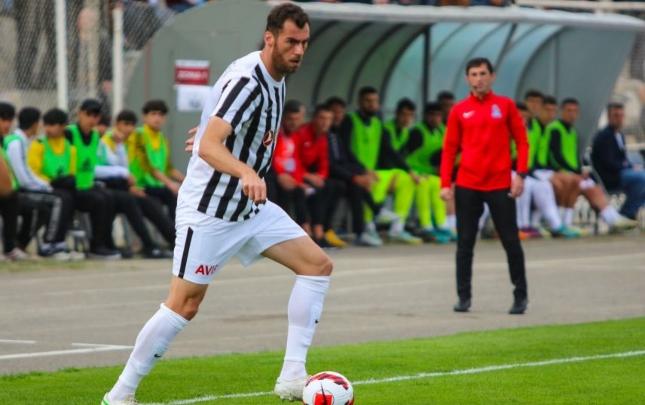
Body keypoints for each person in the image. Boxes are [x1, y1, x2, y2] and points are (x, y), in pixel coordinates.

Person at [102, 4, 331, 404]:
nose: (298, 50)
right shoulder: (248, 80)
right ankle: (120, 394)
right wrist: (242, 169)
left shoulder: (276, 78)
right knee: (184, 305)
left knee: (317, 266)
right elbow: (211, 144)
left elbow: (218, 129)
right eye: (291, 42)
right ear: (270, 38)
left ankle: (293, 376)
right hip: (210, 210)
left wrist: (213, 136)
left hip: (250, 209)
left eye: (304, 43)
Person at [440, 57, 529, 315]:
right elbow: (449, 149)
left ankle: (520, 296)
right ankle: (463, 297)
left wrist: (520, 174)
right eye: (473, 74)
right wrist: (445, 183)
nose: (478, 79)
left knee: (510, 241)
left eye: (482, 74)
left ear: (492, 76)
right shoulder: (459, 110)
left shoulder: (505, 106)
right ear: (467, 78)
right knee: (465, 243)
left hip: (500, 184)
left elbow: (522, 142)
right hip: (468, 184)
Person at [68, 99, 168, 259]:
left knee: (144, 200)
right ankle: (102, 245)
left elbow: (116, 165)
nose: (94, 121)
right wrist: (124, 174)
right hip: (78, 185)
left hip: (100, 184)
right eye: (89, 115)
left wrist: (120, 147)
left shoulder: (96, 138)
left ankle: (156, 244)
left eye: (96, 117)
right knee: (113, 198)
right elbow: (98, 169)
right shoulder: (73, 134)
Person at [339, 86, 421, 245]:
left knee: (407, 179)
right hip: (355, 170)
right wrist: (363, 169)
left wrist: (409, 171)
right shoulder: (350, 120)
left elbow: (389, 150)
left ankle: (397, 227)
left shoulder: (378, 124)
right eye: (368, 101)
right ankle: (369, 226)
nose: (372, 104)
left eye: (375, 101)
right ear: (359, 102)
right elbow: (345, 149)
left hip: (373, 171)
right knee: (372, 182)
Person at [543, 98, 637, 231]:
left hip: (570, 171)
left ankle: (612, 218)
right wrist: (574, 172)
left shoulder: (572, 131)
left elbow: (574, 157)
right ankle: (564, 223)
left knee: (593, 186)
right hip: (558, 171)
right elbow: (555, 156)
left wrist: (580, 171)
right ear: (561, 112)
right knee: (576, 182)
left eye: (574, 111)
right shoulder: (555, 129)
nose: (572, 114)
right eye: (568, 111)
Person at [4, 107, 79, 259]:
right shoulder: (16, 143)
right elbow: (23, 178)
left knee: (63, 196)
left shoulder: (22, 141)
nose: (42, 127)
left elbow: (27, 173)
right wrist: (45, 186)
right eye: (40, 123)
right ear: (34, 124)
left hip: (23, 189)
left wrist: (45, 186)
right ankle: (49, 245)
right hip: (17, 191)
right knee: (58, 199)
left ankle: (51, 242)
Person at [98, 110, 176, 250]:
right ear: (117, 124)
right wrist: (129, 186)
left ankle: (175, 242)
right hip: (116, 186)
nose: (129, 128)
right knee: (142, 202)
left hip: (131, 185)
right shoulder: (106, 141)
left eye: (132, 125)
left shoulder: (136, 139)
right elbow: (117, 169)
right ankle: (150, 245)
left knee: (163, 198)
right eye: (126, 124)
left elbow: (136, 166)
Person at [514, 95, 579, 239]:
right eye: (519, 117)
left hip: (528, 171)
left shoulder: (536, 128)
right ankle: (520, 226)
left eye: (524, 118)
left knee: (543, 186)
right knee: (523, 185)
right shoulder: (507, 130)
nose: (523, 120)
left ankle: (555, 225)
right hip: (508, 172)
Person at [324, 97, 383, 247]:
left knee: (357, 185)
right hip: (324, 175)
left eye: (341, 112)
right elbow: (331, 165)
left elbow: (346, 158)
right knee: (346, 185)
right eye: (334, 112)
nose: (338, 116)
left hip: (337, 174)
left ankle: (362, 230)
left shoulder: (336, 134)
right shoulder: (324, 134)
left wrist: (363, 172)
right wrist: (354, 177)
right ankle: (326, 229)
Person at [293, 104, 346, 247]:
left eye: (329, 119)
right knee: (310, 191)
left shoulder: (323, 137)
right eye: (322, 118)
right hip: (297, 175)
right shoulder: (301, 133)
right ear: (314, 119)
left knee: (332, 186)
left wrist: (320, 177)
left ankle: (322, 228)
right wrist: (307, 176)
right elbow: (294, 160)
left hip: (309, 175)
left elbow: (324, 162)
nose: (325, 122)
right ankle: (310, 231)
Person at [403, 102, 452, 243]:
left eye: (438, 115)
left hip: (431, 172)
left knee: (438, 184)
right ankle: (426, 225)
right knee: (424, 185)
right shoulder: (417, 132)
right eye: (432, 115)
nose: (435, 118)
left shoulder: (443, 131)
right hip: (415, 172)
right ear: (425, 116)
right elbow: (408, 156)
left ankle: (441, 224)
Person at [133, 99, 185, 221]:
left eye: (161, 114)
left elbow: (168, 168)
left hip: (158, 187)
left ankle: (177, 231)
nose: (157, 118)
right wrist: (170, 183)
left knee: (181, 201)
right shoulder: (138, 135)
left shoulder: (162, 139)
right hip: (141, 186)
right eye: (153, 114)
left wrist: (188, 181)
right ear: (144, 117)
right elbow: (148, 167)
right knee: (164, 209)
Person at [592, 102, 645, 221]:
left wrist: (631, 166)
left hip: (620, 173)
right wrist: (628, 166)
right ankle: (626, 214)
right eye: (616, 115)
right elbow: (609, 162)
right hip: (610, 177)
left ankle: (628, 213)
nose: (619, 118)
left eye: (621, 115)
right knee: (642, 178)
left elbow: (621, 159)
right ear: (609, 116)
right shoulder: (604, 136)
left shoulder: (619, 135)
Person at [270, 99, 308, 226]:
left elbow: (296, 161)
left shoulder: (296, 136)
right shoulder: (274, 134)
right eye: (290, 119)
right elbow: (270, 159)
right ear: (283, 118)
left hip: (288, 177)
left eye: (297, 119)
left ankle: (306, 228)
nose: (293, 123)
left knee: (300, 191)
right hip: (273, 175)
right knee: (281, 190)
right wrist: (280, 175)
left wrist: (297, 181)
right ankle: (280, 227)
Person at [0, 102, 28, 260]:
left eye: (9, 120)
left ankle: (10, 247)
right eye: (3, 120)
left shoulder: (4, 141)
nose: (7, 124)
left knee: (12, 198)